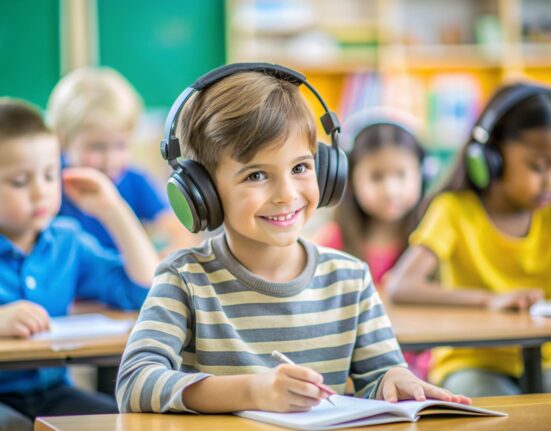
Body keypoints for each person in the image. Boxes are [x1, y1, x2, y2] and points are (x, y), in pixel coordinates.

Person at [115, 63, 470, 414]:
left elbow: (379, 375)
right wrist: (252, 391)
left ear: (327, 170)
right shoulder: (185, 279)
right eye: (256, 175)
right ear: (202, 192)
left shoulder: (351, 280)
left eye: (300, 168)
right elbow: (134, 382)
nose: (286, 194)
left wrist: (395, 380)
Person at [0, 98, 159, 430]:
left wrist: (113, 209)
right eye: (19, 181)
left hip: (52, 393)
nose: (40, 192)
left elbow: (143, 291)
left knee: (131, 423)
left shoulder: (66, 241)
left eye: (49, 175)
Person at [387, 83, 551, 397]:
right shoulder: (454, 211)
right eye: (538, 166)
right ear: (490, 157)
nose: (549, 181)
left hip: (543, 359)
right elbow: (402, 285)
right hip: (471, 363)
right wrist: (490, 300)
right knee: (491, 406)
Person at [313, 109, 431, 380]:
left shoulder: (430, 238)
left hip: (422, 366)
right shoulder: (333, 240)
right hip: (354, 369)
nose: (391, 189)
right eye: (377, 177)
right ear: (350, 180)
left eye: (401, 175)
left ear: (422, 175)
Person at [46, 67, 200, 256]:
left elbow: (181, 233)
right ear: (63, 141)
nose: (111, 159)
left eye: (121, 145)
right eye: (97, 147)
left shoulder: (134, 180)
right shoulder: (50, 184)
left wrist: (158, 267)